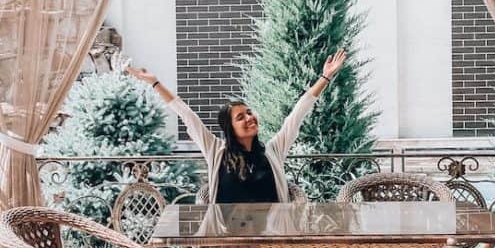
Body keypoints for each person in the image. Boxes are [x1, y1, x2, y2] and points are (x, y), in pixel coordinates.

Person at [126, 49, 346, 204]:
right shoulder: (216, 150)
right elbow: (186, 114)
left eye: (249, 113)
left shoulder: (273, 150)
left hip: (270, 235)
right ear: (229, 127)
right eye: (240, 117)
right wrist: (155, 83)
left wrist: (325, 77)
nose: (249, 118)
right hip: (227, 236)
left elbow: (298, 113)